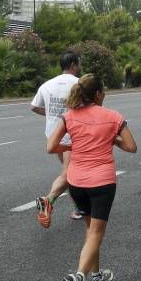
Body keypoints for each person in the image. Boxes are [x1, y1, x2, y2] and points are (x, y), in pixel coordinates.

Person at [46, 73, 137, 281]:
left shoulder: (69, 116)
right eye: (104, 91)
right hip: (102, 181)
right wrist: (113, 139)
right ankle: (79, 277)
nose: (105, 94)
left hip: (76, 182)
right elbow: (132, 147)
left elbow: (51, 147)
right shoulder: (113, 117)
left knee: (90, 231)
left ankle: (97, 278)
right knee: (96, 232)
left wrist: (73, 145)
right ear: (97, 94)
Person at [32, 51, 83, 228]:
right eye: (79, 63)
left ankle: (78, 207)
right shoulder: (79, 84)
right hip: (71, 135)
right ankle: (49, 200)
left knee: (72, 171)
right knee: (68, 173)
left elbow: (34, 106)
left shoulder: (47, 85)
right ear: (73, 65)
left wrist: (52, 114)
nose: (80, 66)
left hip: (53, 135)